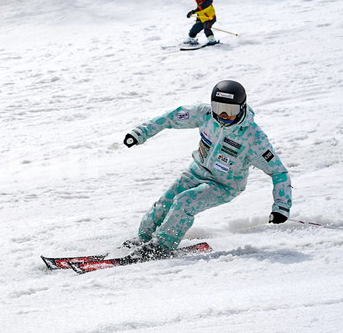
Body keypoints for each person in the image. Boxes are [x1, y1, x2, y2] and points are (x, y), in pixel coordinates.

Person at [122, 79, 292, 258]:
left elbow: (278, 172)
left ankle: (160, 247)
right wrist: (140, 133)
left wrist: (281, 207)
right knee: (165, 203)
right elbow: (171, 117)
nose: (224, 115)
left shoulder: (253, 138)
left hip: (224, 185)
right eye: (219, 108)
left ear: (242, 107)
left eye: (231, 110)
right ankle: (143, 239)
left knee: (184, 202)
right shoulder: (205, 115)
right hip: (196, 172)